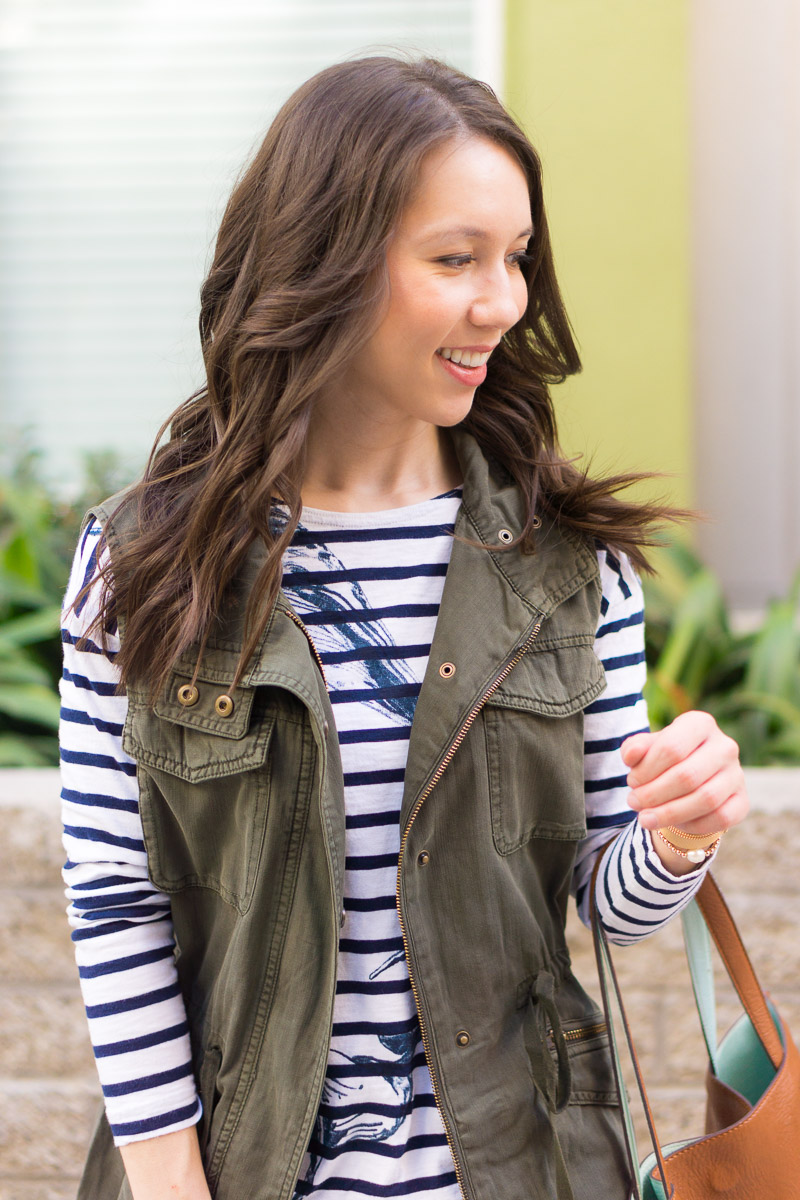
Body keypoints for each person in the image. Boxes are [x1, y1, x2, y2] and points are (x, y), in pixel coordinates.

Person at [59, 55, 748, 1200]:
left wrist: (677, 835)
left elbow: (602, 900)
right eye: (454, 259)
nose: (504, 300)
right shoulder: (143, 562)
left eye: (516, 256)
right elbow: (115, 901)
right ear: (323, 264)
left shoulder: (568, 562)